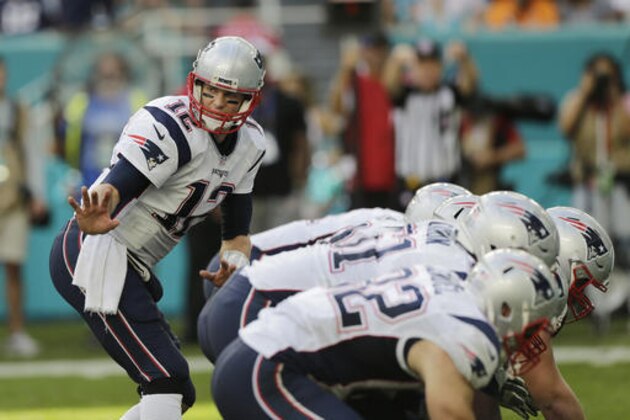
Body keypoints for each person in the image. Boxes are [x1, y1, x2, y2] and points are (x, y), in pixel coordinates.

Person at [48, 36, 267, 420]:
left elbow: (236, 229)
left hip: (132, 262)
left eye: (230, 99)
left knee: (177, 390)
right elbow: (119, 182)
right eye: (210, 91)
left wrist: (233, 261)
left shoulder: (250, 144)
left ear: (249, 101)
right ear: (195, 82)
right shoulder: (171, 124)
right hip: (97, 248)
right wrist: (101, 206)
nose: (217, 105)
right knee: (165, 378)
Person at [211, 249, 560, 419]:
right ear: (504, 307)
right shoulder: (469, 330)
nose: (530, 341)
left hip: (263, 351)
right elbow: (447, 410)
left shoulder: (449, 287)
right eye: (532, 328)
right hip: (265, 367)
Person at [558, 52, 630, 331]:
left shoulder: (621, 104)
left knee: (623, 243)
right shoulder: (577, 102)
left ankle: (621, 302)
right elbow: (566, 127)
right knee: (587, 246)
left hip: (621, 183)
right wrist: (587, 91)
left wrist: (613, 99)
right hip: (587, 184)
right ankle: (594, 305)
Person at [384, 38, 478, 210]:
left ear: (440, 67)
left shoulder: (449, 94)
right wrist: (396, 61)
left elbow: (470, 85)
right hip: (410, 185)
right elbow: (389, 84)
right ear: (413, 68)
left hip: (447, 183)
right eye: (422, 65)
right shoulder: (404, 95)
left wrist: (464, 59)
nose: (427, 71)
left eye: (432, 65)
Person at [0, 57, 48, 357]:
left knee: (14, 265)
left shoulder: (18, 110)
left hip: (13, 196)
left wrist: (37, 194)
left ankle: (17, 331)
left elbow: (33, 154)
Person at [329, 32, 396, 210]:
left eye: (378, 51)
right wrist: (345, 69)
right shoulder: (355, 82)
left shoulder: (394, 83)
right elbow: (336, 107)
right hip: (362, 174)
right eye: (370, 50)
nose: (374, 56)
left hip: (392, 174)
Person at [61, 51, 147, 189]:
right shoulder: (81, 102)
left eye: (113, 75)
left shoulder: (136, 100)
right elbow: (67, 138)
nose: (108, 80)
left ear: (123, 74)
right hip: (88, 178)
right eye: (104, 75)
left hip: (126, 180)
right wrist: (73, 172)